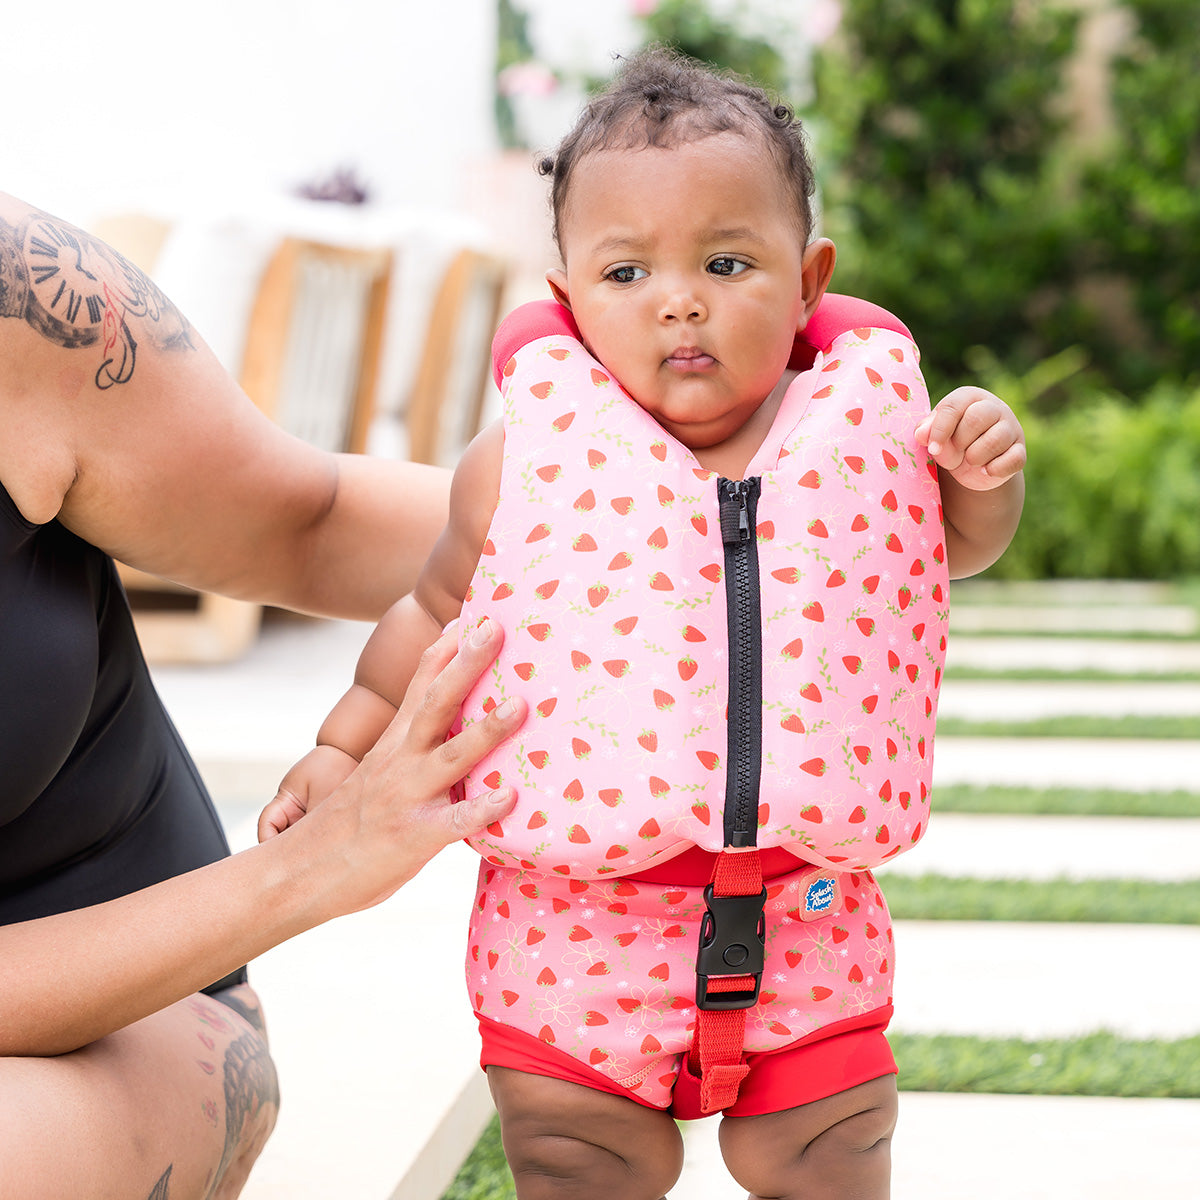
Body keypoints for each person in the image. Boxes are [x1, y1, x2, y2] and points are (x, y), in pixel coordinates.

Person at [261, 48, 1025, 1200]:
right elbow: (431, 616)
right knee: (574, 1155)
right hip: (575, 928)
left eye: (728, 261)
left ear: (809, 278)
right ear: (567, 299)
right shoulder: (522, 460)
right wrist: (341, 749)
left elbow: (952, 546)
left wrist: (977, 478)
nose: (680, 299)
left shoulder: (863, 439)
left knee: (830, 1150)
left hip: (806, 911)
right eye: (627, 272)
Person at [0, 189, 527, 1200]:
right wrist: (311, 869)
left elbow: (306, 520)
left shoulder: (21, 301)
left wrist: (729, 525)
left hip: (132, 1022)